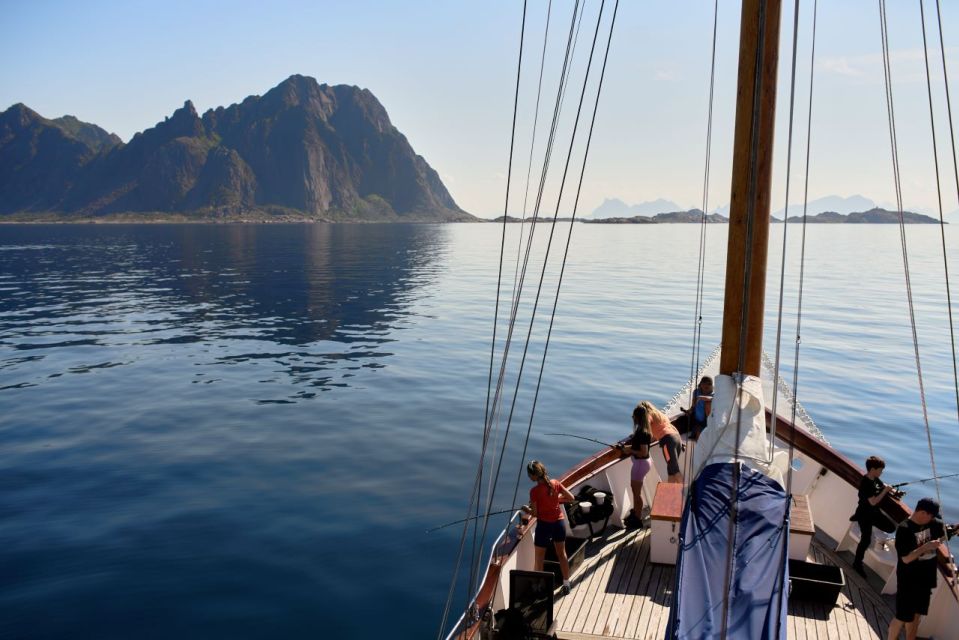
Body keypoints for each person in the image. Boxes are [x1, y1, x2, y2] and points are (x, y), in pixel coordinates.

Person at [887, 498, 947, 640]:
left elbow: (944, 534)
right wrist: (925, 548)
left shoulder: (933, 523)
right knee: (902, 617)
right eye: (931, 516)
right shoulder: (905, 529)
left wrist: (952, 531)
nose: (933, 519)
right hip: (908, 580)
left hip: (926, 579)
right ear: (922, 513)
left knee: (916, 616)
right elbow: (906, 559)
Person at [522, 460, 576, 595]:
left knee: (539, 559)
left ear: (534, 476)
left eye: (529, 475)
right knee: (561, 554)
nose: (529, 477)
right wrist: (557, 500)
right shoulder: (555, 484)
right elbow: (571, 497)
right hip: (559, 524)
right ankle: (566, 583)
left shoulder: (534, 491)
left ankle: (538, 585)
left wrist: (526, 510)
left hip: (544, 526)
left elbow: (534, 514)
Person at [851, 455, 893, 576]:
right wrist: (885, 491)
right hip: (865, 513)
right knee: (866, 540)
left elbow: (882, 486)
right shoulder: (866, 483)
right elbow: (873, 501)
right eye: (880, 470)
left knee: (891, 528)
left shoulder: (875, 479)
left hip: (873, 512)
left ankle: (858, 517)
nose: (882, 472)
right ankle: (857, 564)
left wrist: (890, 490)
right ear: (873, 469)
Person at [618, 403, 653, 527]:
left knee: (636, 493)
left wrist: (630, 450)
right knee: (635, 491)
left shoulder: (642, 432)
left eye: (633, 415)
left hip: (640, 464)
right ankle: (636, 514)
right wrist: (629, 447)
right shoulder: (644, 430)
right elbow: (640, 446)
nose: (632, 417)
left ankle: (637, 519)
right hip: (642, 463)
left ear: (637, 417)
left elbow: (644, 452)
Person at [641, 400, 684, 484]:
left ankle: (686, 494)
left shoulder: (648, 414)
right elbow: (671, 427)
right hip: (677, 438)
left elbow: (646, 426)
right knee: (671, 471)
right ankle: (670, 493)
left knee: (675, 471)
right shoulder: (660, 415)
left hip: (668, 442)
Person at [684, 376, 713, 440]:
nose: (706, 389)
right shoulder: (696, 392)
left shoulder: (714, 394)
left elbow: (713, 399)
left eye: (709, 385)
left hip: (707, 422)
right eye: (704, 386)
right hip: (696, 420)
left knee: (699, 435)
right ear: (701, 385)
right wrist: (690, 410)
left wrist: (701, 397)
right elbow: (693, 406)